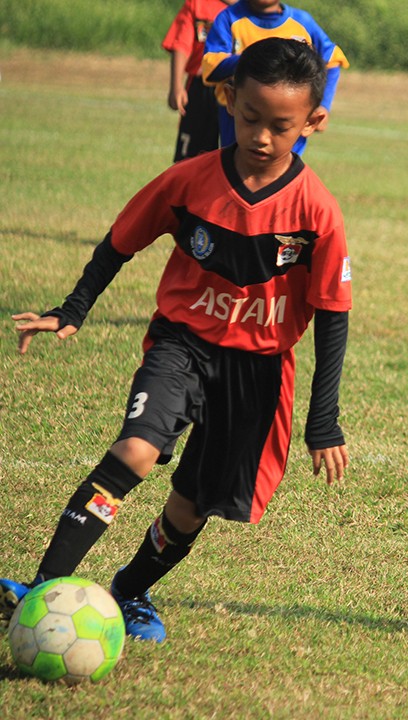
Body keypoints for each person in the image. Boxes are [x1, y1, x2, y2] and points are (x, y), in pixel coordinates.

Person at [1, 37, 352, 643]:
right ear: (227, 99)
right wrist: (74, 308)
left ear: (313, 123)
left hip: (257, 370)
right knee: (136, 451)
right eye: (249, 118)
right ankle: (41, 589)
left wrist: (323, 423)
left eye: (281, 126)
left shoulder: (317, 211)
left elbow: (333, 315)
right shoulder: (190, 181)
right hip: (183, 343)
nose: (262, 137)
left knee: (190, 508)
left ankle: (130, 593)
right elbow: (122, 240)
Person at [201, 0, 349, 155]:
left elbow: (332, 59)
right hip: (238, 116)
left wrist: (324, 104)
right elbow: (212, 67)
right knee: (238, 170)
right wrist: (260, 55)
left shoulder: (302, 22)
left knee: (284, 173)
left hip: (288, 117)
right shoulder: (229, 18)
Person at [163, 0, 238, 162]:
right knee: (191, 158)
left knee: (237, 156)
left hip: (241, 89)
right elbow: (181, 44)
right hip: (202, 86)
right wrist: (176, 86)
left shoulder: (256, 7)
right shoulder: (198, 5)